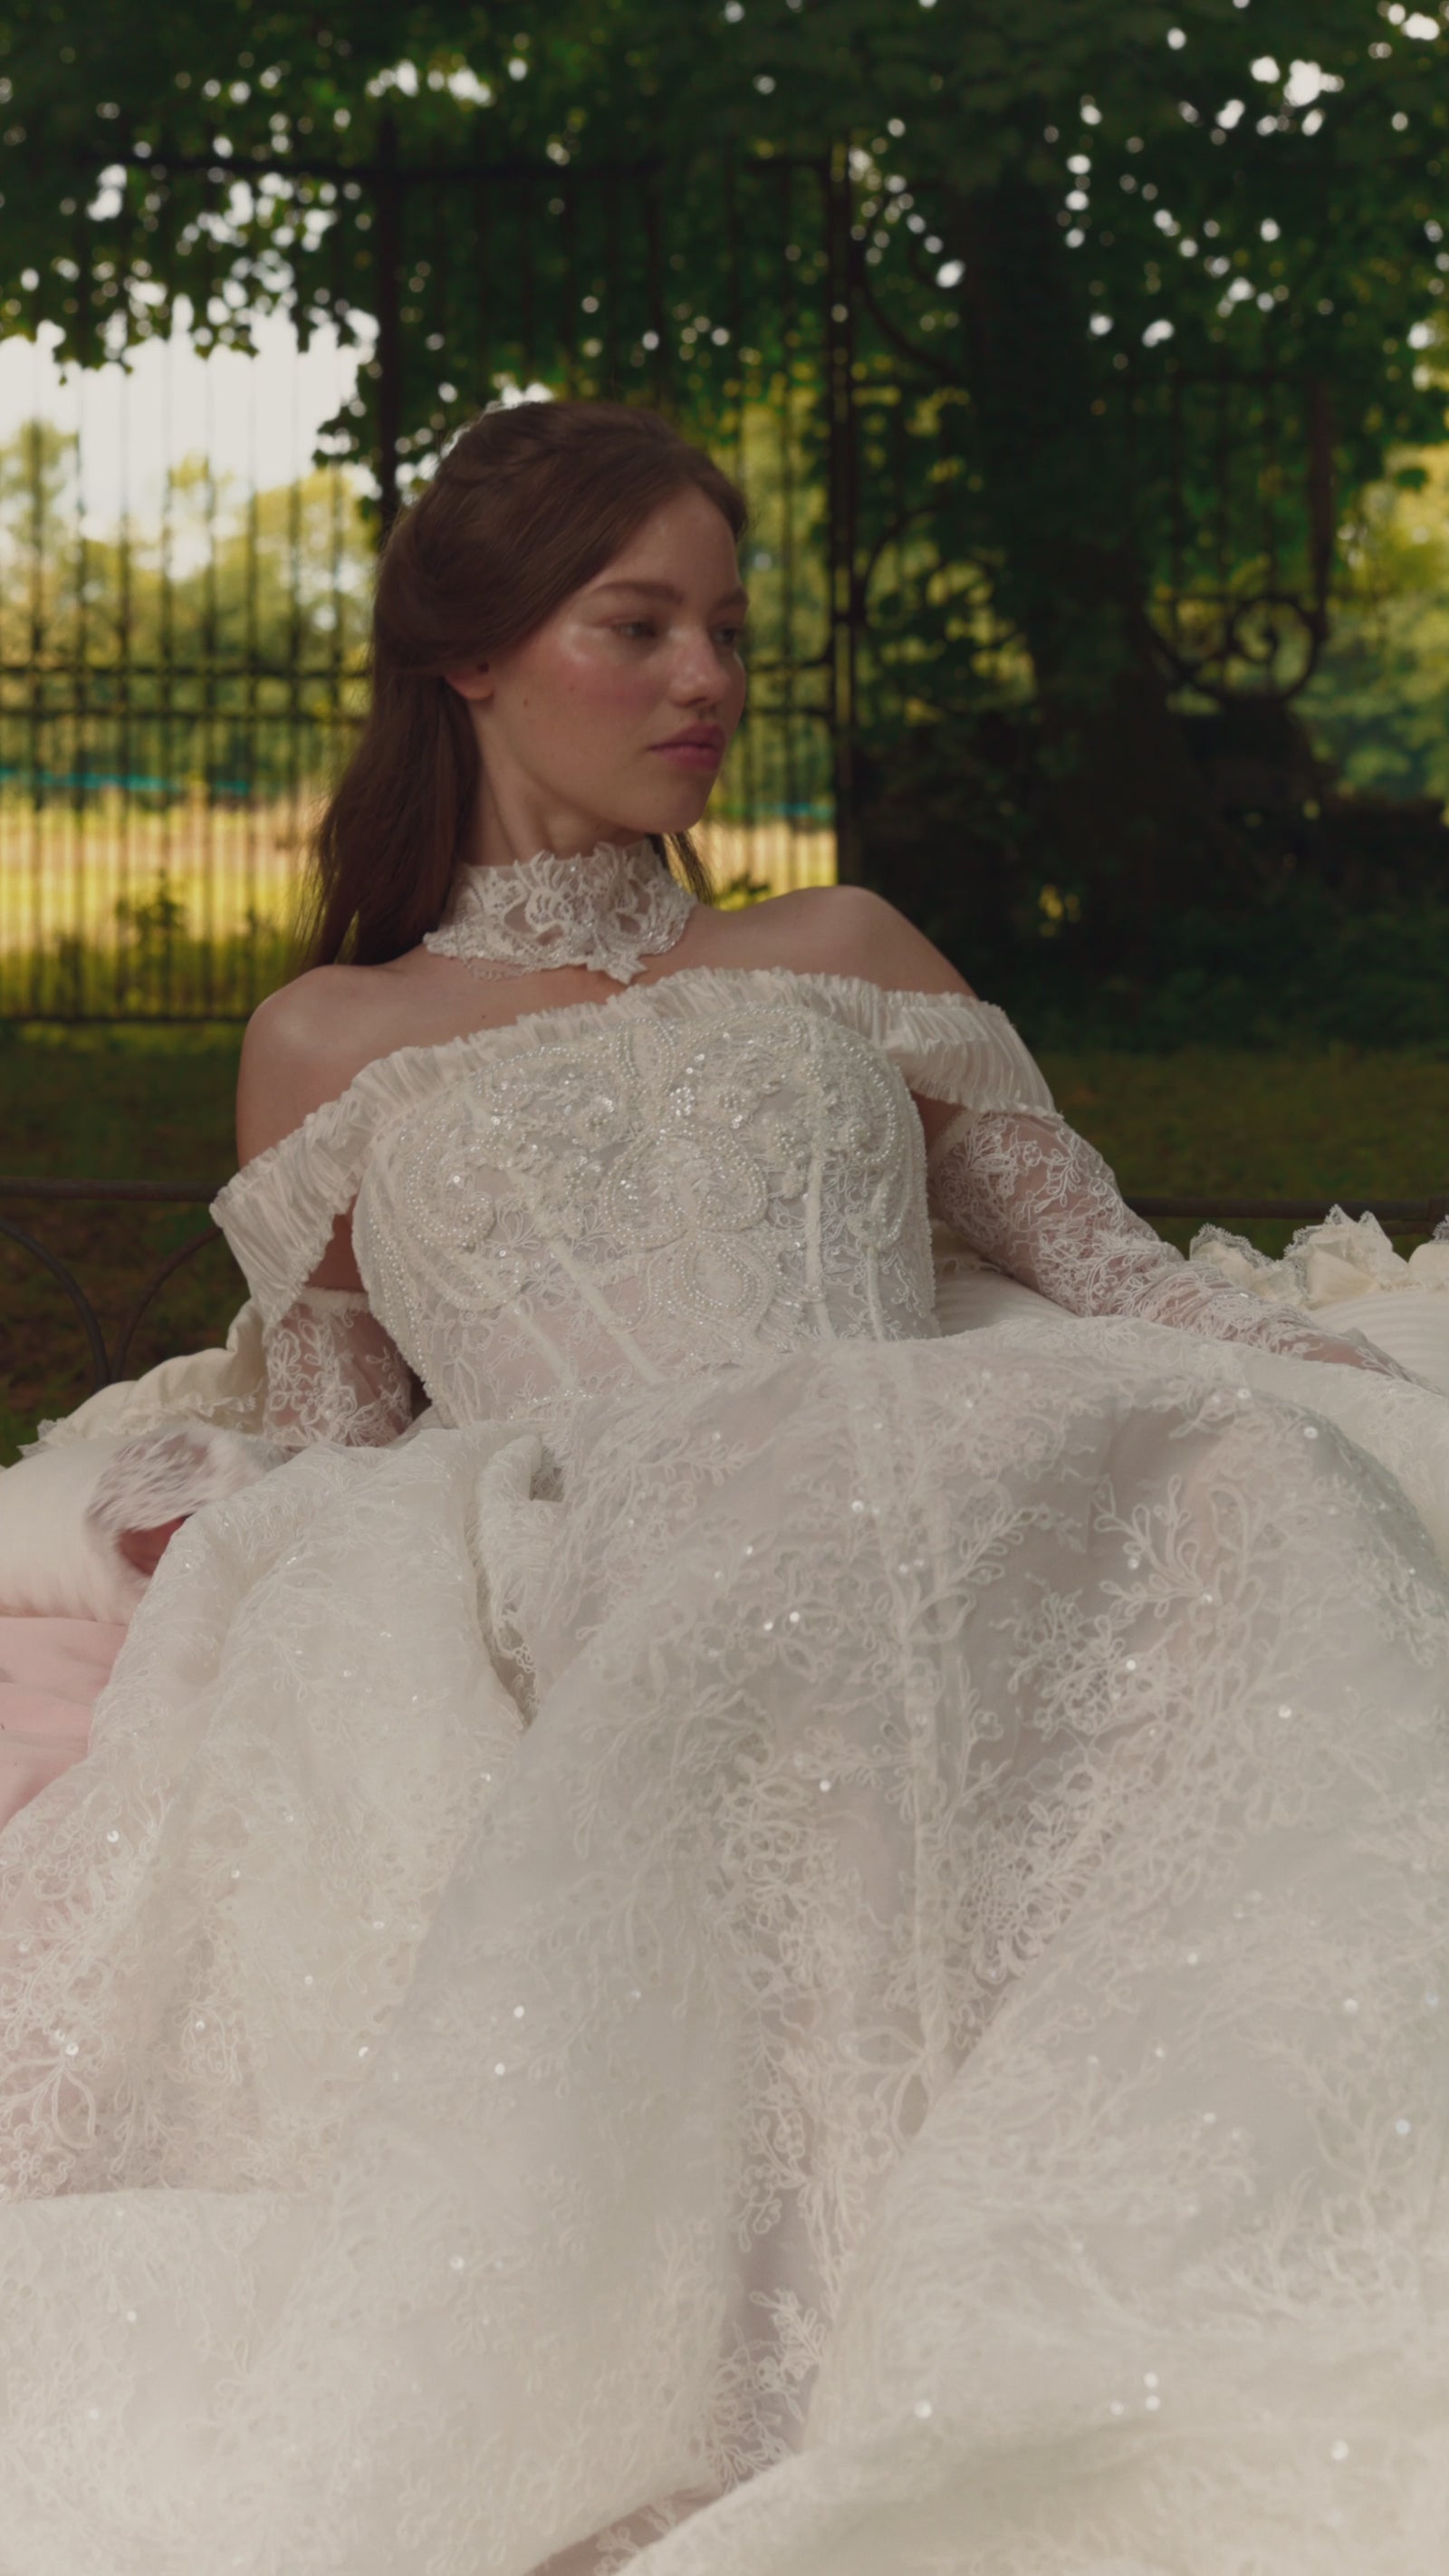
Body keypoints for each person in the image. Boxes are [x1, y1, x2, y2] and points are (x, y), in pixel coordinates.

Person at [0, 396, 1445, 2576]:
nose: (706, 681)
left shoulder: (840, 948)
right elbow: (343, 1426)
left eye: (729, 633)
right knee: (720, 1562)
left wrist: (1336, 1376)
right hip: (597, 1530)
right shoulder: (326, 1039)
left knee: (1219, 1463)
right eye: (638, 625)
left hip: (924, 1472)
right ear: (471, 656)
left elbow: (1113, 1277)